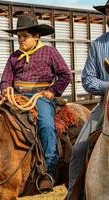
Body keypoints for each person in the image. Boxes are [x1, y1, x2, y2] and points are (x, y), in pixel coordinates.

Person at [0, 14, 71, 192]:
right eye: (19, 36)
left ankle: (47, 169)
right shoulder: (14, 57)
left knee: (46, 124)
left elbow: (65, 75)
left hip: (40, 97)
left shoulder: (49, 52)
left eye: (25, 36)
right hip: (16, 97)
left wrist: (52, 91)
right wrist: (5, 89)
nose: (20, 40)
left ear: (36, 37)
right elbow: (5, 79)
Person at [67, 1, 109, 199]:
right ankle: (73, 194)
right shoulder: (98, 45)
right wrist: (108, 86)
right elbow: (88, 79)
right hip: (107, 104)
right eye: (108, 13)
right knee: (80, 147)